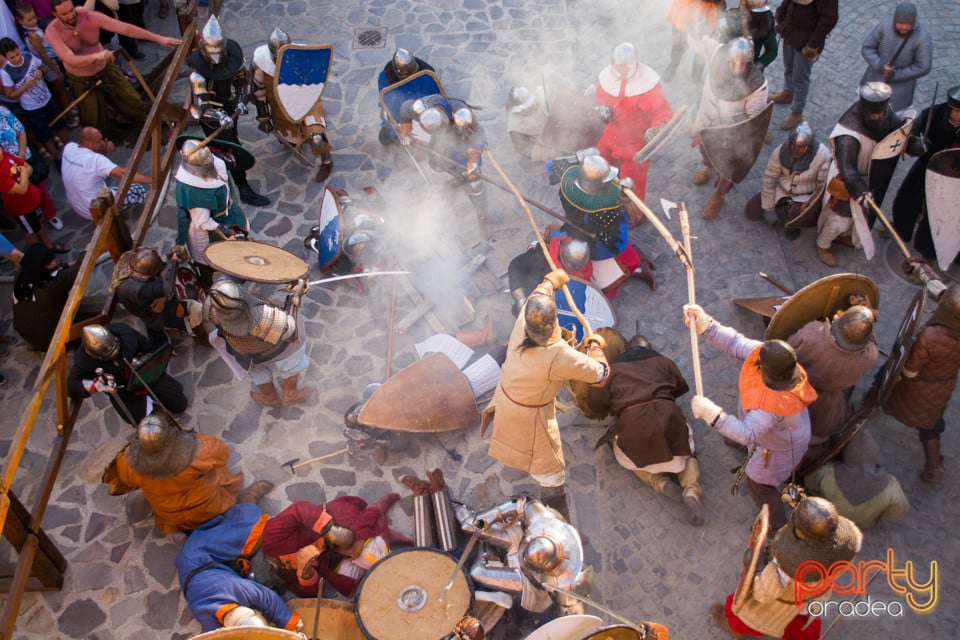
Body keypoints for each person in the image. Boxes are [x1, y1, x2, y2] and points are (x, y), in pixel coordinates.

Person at [480, 269, 609, 519]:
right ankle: (556, 524)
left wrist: (552, 280)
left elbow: (540, 291)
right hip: (530, 418)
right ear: (553, 323)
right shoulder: (558, 355)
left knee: (524, 448)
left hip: (506, 399)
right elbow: (601, 375)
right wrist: (596, 347)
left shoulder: (522, 321)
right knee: (551, 474)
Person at [684, 304, 816, 530]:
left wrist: (713, 415)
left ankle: (777, 530)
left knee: (758, 485)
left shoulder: (774, 406)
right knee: (743, 442)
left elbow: (748, 433)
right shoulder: (768, 358)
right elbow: (736, 343)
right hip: (771, 436)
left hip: (776, 449)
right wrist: (707, 326)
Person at [587, 333, 704, 526]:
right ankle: (691, 489)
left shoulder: (612, 372)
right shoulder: (664, 362)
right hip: (669, 423)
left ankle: (660, 483)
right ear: (648, 350)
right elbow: (680, 388)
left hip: (634, 432)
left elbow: (596, 406)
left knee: (623, 453)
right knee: (687, 447)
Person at [711, 497, 862, 640]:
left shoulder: (787, 566)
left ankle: (735, 629)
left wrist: (764, 575)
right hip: (810, 602)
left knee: (744, 611)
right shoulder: (845, 548)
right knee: (805, 629)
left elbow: (763, 594)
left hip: (784, 603)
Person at [102, 411, 274, 534]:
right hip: (210, 506)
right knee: (218, 470)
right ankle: (242, 506)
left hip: (170, 515)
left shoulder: (127, 464)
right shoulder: (203, 450)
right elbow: (222, 454)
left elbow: (125, 481)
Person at [44, 0, 181, 130]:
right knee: (92, 120)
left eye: (71, 10)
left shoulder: (86, 16)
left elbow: (125, 28)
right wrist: (96, 56)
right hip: (82, 80)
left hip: (105, 68)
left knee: (133, 101)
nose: (70, 15)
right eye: (64, 14)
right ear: (54, 14)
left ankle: (149, 132)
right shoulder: (52, 31)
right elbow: (69, 59)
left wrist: (159, 39)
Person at [815, 83, 909, 267]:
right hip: (847, 181)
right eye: (874, 115)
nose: (879, 117)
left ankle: (845, 237)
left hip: (870, 178)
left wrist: (912, 143)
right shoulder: (849, 135)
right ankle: (822, 245)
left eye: (881, 113)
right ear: (864, 109)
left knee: (861, 218)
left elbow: (894, 135)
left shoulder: (886, 113)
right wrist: (861, 192)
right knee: (840, 219)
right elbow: (848, 169)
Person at [882, 267, 960, 485]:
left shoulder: (932, 337)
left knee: (886, 379)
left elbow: (910, 369)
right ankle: (933, 465)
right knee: (931, 421)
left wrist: (896, 373)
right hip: (944, 384)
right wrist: (922, 269)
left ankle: (872, 400)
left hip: (919, 385)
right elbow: (944, 294)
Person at [176, 503, 303, 632]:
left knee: (251, 533)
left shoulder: (230, 588)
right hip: (197, 572)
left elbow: (266, 597)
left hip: (198, 553)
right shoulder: (216, 629)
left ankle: (246, 501)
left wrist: (292, 624)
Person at [261, 494, 414, 598]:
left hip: (334, 523)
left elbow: (298, 509)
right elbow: (311, 593)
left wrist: (329, 530)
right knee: (349, 588)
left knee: (366, 554)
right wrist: (305, 573)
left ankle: (377, 509)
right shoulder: (285, 577)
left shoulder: (270, 538)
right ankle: (382, 534)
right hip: (328, 556)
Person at [186, 15, 269, 206]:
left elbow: (241, 81)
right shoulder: (197, 72)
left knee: (232, 141)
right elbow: (201, 105)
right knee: (232, 150)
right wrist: (219, 117)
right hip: (211, 116)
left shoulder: (231, 56)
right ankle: (243, 189)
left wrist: (240, 102)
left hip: (230, 106)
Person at [203, 276, 313, 408]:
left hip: (245, 350)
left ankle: (270, 397)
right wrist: (296, 295)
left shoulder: (214, 311)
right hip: (276, 347)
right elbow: (290, 332)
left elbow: (227, 281)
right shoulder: (261, 317)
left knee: (257, 369)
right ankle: (291, 394)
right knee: (292, 354)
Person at [691, 37, 768, 219]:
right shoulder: (717, 57)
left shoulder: (757, 87)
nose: (736, 68)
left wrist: (737, 138)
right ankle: (709, 169)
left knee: (728, 167)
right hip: (709, 124)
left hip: (733, 134)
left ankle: (719, 194)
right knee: (706, 152)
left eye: (741, 64)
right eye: (733, 62)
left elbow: (753, 122)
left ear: (748, 64)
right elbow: (698, 39)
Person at [558, 153, 656, 295]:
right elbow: (619, 236)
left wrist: (581, 158)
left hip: (599, 238)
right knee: (624, 263)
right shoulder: (608, 211)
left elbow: (551, 167)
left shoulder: (567, 189)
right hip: (597, 242)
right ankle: (638, 267)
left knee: (630, 260)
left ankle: (638, 267)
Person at [250, 27, 334, 182]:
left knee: (316, 137)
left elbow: (313, 83)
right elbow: (258, 92)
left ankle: (327, 161)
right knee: (289, 138)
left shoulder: (303, 56)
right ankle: (296, 141)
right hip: (280, 107)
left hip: (306, 101)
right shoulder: (260, 64)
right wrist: (264, 118)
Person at [787, 305, 879, 445]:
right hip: (826, 416)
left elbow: (787, 349)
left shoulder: (812, 334)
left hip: (793, 400)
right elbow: (872, 343)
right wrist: (871, 320)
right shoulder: (869, 357)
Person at [399, 98, 491, 235]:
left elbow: (478, 134)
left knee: (474, 180)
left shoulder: (462, 115)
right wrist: (405, 130)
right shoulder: (420, 108)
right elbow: (405, 109)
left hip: (463, 138)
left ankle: (483, 216)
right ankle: (459, 177)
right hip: (441, 141)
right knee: (440, 163)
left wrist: (474, 159)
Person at [594, 42, 673, 202]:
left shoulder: (647, 89)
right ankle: (603, 194)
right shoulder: (608, 79)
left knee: (630, 186)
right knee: (599, 164)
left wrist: (657, 129)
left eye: (627, 66)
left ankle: (636, 212)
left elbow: (662, 113)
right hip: (611, 135)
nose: (622, 70)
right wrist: (602, 108)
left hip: (635, 145)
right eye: (619, 66)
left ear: (635, 63)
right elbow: (601, 94)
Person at [67, 323, 188, 426]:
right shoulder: (84, 362)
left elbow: (149, 349)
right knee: (149, 424)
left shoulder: (127, 335)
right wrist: (95, 385)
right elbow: (71, 386)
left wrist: (143, 361)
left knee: (180, 403)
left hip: (145, 376)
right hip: (124, 392)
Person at [891, 85, 960, 262]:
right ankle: (900, 228)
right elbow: (912, 135)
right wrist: (917, 145)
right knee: (907, 197)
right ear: (951, 109)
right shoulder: (934, 114)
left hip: (952, 177)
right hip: (927, 164)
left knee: (938, 215)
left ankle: (927, 252)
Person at [173, 139, 248, 288]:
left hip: (229, 214)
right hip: (208, 230)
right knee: (210, 263)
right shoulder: (193, 189)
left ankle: (238, 271)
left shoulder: (216, 164)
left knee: (239, 248)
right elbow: (202, 221)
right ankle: (209, 286)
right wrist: (226, 233)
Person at [803, 429, 909, 529]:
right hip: (866, 523)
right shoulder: (890, 484)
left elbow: (808, 483)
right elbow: (898, 511)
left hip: (832, 516)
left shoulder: (825, 473)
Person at [747, 120, 831, 236]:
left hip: (805, 195)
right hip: (782, 189)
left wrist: (811, 202)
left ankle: (795, 223)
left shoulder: (823, 155)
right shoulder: (780, 151)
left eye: (801, 147)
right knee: (752, 211)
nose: (795, 149)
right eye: (792, 145)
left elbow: (821, 187)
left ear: (809, 146)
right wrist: (768, 208)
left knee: (795, 218)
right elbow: (769, 179)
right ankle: (783, 206)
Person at [113, 246, 206, 345]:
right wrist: (174, 260)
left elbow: (164, 276)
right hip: (155, 313)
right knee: (195, 310)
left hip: (156, 297)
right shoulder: (133, 289)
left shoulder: (134, 260)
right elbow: (165, 286)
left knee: (177, 279)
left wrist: (164, 298)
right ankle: (200, 337)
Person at [769, 0, 838, 131]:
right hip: (790, 31)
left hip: (807, 39)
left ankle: (797, 112)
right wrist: (781, 16)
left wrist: (813, 44)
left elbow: (829, 19)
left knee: (800, 78)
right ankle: (788, 92)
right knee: (788, 67)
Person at [0, 37, 68, 162]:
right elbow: (10, 95)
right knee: (44, 136)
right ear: (5, 58)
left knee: (60, 125)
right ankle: (58, 159)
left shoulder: (28, 56)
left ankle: (71, 150)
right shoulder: (6, 72)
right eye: (12, 57)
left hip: (48, 99)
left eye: (17, 54)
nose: (17, 58)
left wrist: (40, 72)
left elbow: (42, 67)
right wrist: (25, 86)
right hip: (32, 108)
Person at [60, 126, 150, 220]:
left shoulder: (69, 147)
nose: (103, 142)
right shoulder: (96, 160)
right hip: (96, 208)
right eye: (99, 141)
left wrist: (103, 149)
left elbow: (87, 163)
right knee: (139, 190)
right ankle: (127, 213)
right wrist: (152, 180)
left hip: (78, 206)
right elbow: (124, 174)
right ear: (88, 144)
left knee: (99, 178)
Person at [859, 2, 932, 115]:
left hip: (899, 91)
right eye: (900, 23)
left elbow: (923, 67)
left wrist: (895, 74)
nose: (903, 27)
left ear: (913, 23)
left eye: (907, 24)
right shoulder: (884, 26)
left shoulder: (922, 37)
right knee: (864, 112)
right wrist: (879, 65)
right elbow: (868, 47)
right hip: (873, 81)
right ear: (895, 20)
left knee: (890, 118)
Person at [0, 103, 62, 230]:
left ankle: (50, 214)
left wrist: (20, 157)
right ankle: (33, 222)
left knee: (40, 189)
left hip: (22, 157)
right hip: (4, 169)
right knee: (20, 197)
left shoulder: (2, 112)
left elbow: (21, 131)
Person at [12, 3, 76, 127]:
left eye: (34, 17)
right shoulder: (33, 35)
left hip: (50, 64)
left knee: (59, 92)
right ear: (20, 21)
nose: (34, 21)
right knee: (60, 92)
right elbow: (44, 56)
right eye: (29, 19)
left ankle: (69, 114)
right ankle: (70, 119)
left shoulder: (33, 30)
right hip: (49, 66)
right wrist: (57, 71)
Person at [507, 226, 592, 316]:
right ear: (562, 253)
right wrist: (520, 298)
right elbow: (516, 265)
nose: (572, 267)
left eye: (575, 266)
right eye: (570, 264)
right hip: (537, 293)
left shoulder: (583, 264)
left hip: (563, 304)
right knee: (522, 313)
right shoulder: (542, 256)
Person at [12, 245, 85, 350]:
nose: (55, 262)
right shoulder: (55, 283)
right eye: (50, 262)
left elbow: (49, 271)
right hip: (50, 341)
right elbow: (80, 267)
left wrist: (65, 266)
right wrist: (86, 251)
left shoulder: (21, 274)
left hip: (29, 335)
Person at [0, 148, 67, 253]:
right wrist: (23, 172)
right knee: (30, 231)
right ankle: (41, 253)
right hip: (21, 207)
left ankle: (48, 245)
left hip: (31, 197)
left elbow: (29, 168)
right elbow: (22, 189)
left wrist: (22, 179)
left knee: (38, 222)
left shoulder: (3, 155)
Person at [376, 47, 434, 145]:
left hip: (420, 106)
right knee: (386, 137)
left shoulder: (427, 73)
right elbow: (387, 100)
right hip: (400, 108)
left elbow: (432, 94)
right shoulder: (385, 77)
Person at [661, 0, 724, 82]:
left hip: (706, 11)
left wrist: (709, 29)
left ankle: (696, 77)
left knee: (702, 46)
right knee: (679, 44)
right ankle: (673, 65)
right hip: (684, 12)